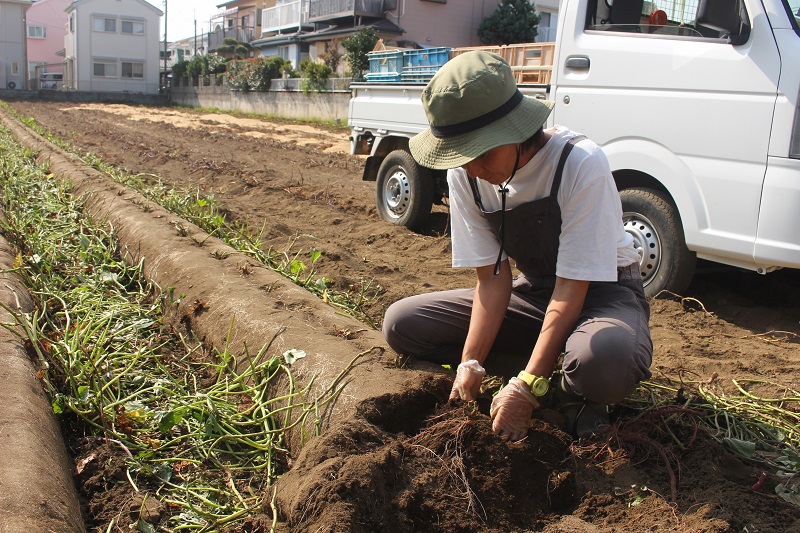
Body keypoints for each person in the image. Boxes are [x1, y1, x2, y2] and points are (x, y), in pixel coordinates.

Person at [382, 51, 653, 440]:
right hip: (538, 295)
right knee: (403, 324)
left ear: (515, 129)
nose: (473, 168)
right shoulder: (468, 175)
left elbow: (572, 287)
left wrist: (529, 385)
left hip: (603, 294)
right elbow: (492, 282)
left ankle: (574, 388)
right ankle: (542, 361)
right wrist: (469, 363)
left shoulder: (578, 163)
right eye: (461, 156)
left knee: (605, 361)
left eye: (482, 152)